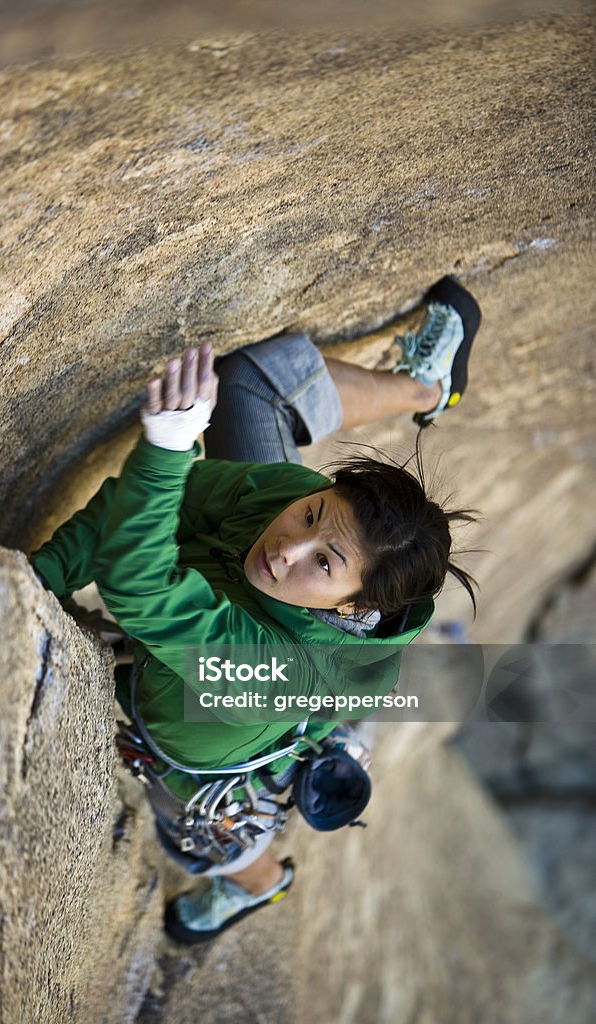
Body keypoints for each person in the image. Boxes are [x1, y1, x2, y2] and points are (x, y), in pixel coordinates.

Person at [30, 276, 481, 943]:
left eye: (322, 563)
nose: (285, 547)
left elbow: (139, 581)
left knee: (211, 830)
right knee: (246, 387)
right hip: (221, 620)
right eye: (310, 514)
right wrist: (40, 579)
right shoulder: (295, 507)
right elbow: (137, 503)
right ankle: (428, 388)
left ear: (352, 604)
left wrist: (169, 445)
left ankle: (261, 885)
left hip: (195, 741)